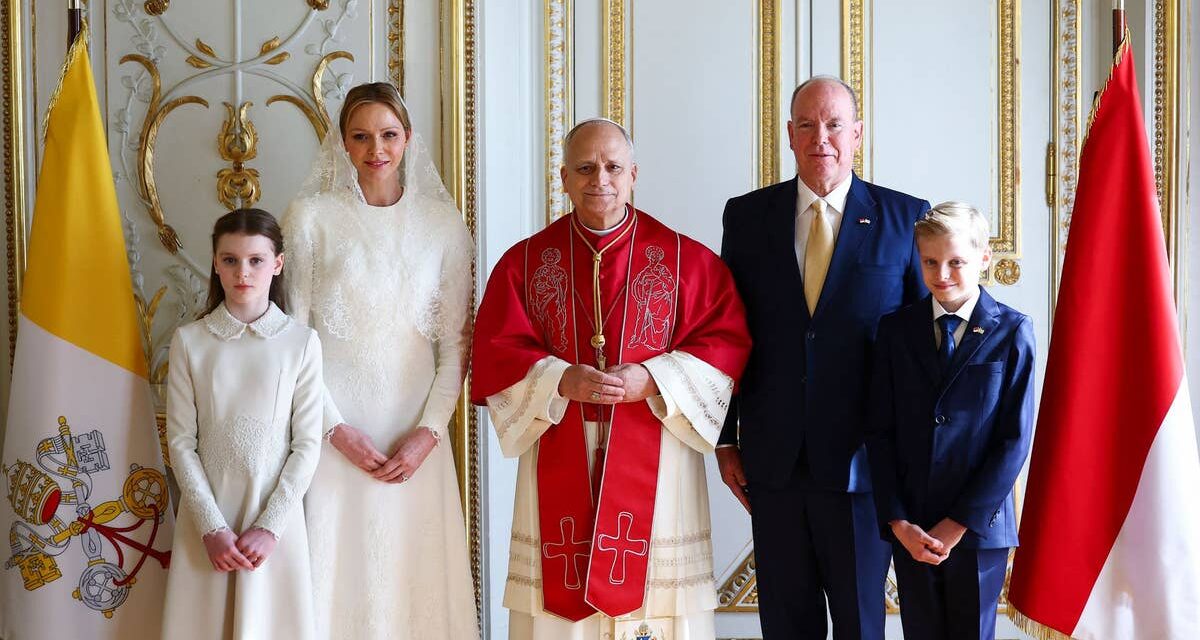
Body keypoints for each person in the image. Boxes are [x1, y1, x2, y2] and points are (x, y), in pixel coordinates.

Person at [472, 118, 752, 639]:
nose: (598, 178)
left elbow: (725, 345)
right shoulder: (526, 262)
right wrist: (558, 380)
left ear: (633, 175)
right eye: (584, 167)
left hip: (659, 455)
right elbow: (494, 350)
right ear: (563, 177)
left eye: (612, 167)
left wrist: (653, 379)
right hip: (560, 440)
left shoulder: (686, 261)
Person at [717, 76, 929, 639]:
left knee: (861, 626)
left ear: (857, 133)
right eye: (807, 125)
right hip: (773, 463)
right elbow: (726, 336)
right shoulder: (746, 217)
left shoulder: (906, 218)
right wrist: (725, 436)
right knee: (786, 626)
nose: (822, 138)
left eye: (835, 124)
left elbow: (919, 354)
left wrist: (914, 461)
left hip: (864, 466)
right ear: (789, 134)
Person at [281, 82, 478, 640]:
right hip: (331, 433)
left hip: (414, 438)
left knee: (412, 578)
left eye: (389, 135)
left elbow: (455, 346)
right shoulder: (309, 218)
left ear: (409, 139)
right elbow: (295, 338)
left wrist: (427, 434)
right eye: (361, 136)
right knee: (331, 574)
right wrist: (333, 429)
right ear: (342, 144)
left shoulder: (444, 227)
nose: (376, 150)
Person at [866, 202, 1034, 640]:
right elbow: (879, 432)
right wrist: (898, 520)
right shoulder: (896, 330)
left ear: (983, 258)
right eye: (930, 262)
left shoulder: (1013, 330)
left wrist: (959, 523)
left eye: (956, 262)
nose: (942, 274)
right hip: (912, 527)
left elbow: (1014, 441)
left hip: (978, 530)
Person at [162, 208, 323, 640]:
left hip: (275, 520)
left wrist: (271, 528)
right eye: (230, 260)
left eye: (255, 260)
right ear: (215, 263)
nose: (242, 272)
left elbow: (307, 445)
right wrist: (211, 527)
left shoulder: (301, 343)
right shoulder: (190, 342)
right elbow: (180, 443)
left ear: (278, 264)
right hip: (207, 519)